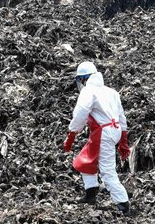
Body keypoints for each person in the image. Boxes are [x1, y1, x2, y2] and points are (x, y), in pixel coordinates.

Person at [63, 62, 131, 215]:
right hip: (113, 130)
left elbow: (81, 113)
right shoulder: (111, 92)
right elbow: (121, 117)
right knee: (85, 159)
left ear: (83, 79)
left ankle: (123, 203)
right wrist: (123, 141)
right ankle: (90, 192)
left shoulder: (89, 91)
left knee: (107, 171)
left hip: (103, 133)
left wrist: (71, 135)